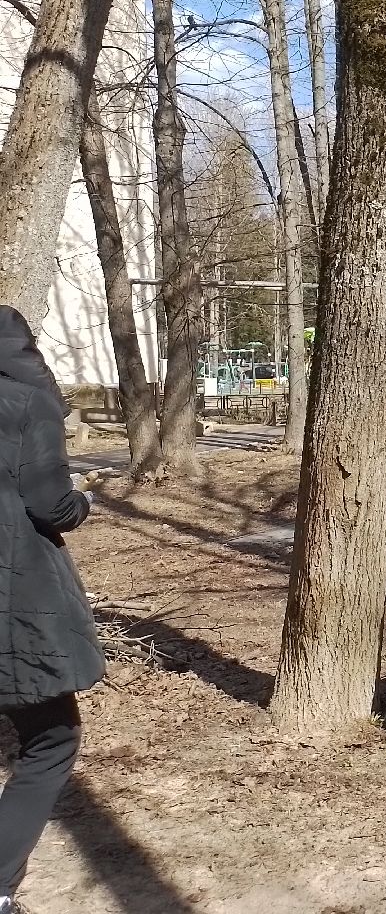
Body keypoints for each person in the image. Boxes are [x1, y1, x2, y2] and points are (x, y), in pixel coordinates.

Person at [0, 307, 105, 912]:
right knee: (52, 738)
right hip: (16, 598)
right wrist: (83, 500)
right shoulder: (27, 403)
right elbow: (50, 506)